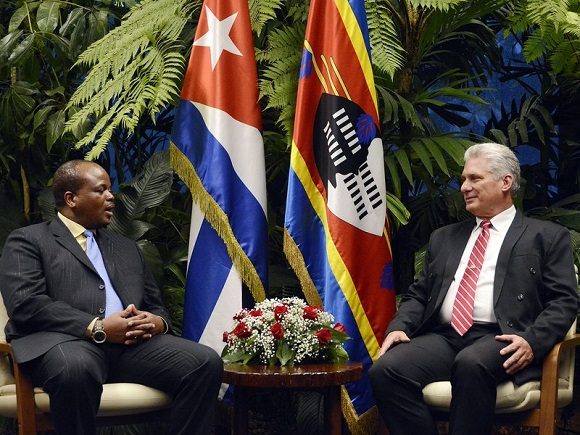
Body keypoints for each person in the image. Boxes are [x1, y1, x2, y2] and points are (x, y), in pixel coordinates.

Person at [0, 160, 223, 435]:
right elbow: (27, 304)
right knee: (75, 368)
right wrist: (98, 327)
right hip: (64, 344)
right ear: (71, 199)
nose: (111, 196)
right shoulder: (28, 240)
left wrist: (156, 322)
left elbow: (156, 305)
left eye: (110, 189)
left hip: (130, 348)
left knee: (204, 363)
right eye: (101, 190)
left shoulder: (125, 247)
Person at [369, 143, 579, 435]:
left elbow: (564, 301)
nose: (464, 187)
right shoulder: (444, 238)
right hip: (445, 337)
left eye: (474, 179)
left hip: (504, 336)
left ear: (506, 182)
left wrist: (532, 341)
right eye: (463, 179)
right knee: (386, 371)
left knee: (472, 363)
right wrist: (399, 326)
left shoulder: (545, 236)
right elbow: (419, 293)